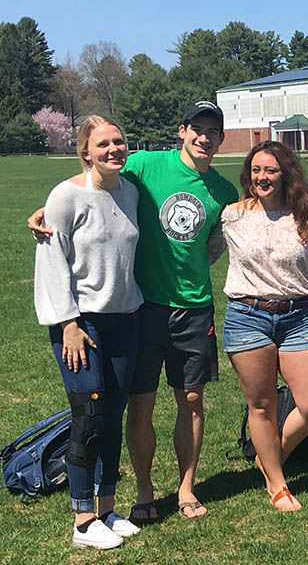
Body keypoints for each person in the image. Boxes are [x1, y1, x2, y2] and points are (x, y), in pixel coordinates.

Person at [32, 101, 238, 521]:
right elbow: (92, 182)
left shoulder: (224, 192)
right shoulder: (144, 165)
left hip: (194, 308)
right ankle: (143, 491)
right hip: (142, 307)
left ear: (221, 138)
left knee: (192, 399)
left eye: (212, 132)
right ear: (182, 130)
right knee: (139, 405)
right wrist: (45, 212)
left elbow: (214, 247)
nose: (204, 137)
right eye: (196, 128)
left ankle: (185, 489)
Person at [34, 116, 143, 549]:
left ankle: (106, 508)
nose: (114, 149)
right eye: (103, 144)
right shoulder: (65, 196)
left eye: (119, 142)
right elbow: (51, 260)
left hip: (125, 319)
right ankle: (82, 520)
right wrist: (68, 324)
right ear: (85, 152)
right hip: (82, 325)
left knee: (112, 415)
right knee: (89, 416)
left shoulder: (130, 191)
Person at [210, 141, 308, 510]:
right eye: (256, 170)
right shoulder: (232, 215)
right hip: (247, 317)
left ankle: (271, 455)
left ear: (286, 174)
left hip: (298, 317)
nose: (262, 178)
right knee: (260, 405)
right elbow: (200, 252)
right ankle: (278, 486)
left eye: (271, 171)